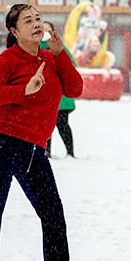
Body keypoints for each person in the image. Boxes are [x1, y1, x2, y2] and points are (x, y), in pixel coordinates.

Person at [0, 4, 83, 261]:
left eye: (38, 19)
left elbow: (75, 89)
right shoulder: (6, 60)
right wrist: (23, 90)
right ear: (14, 31)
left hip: (33, 147)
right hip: (0, 140)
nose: (36, 24)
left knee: (51, 209)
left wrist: (61, 55)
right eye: (28, 21)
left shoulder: (52, 57)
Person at [40, 21, 76, 159]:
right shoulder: (35, 47)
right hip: (45, 96)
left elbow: (69, 66)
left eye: (47, 29)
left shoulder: (59, 47)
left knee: (62, 125)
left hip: (60, 96)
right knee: (46, 126)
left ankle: (70, 152)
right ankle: (46, 152)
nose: (44, 32)